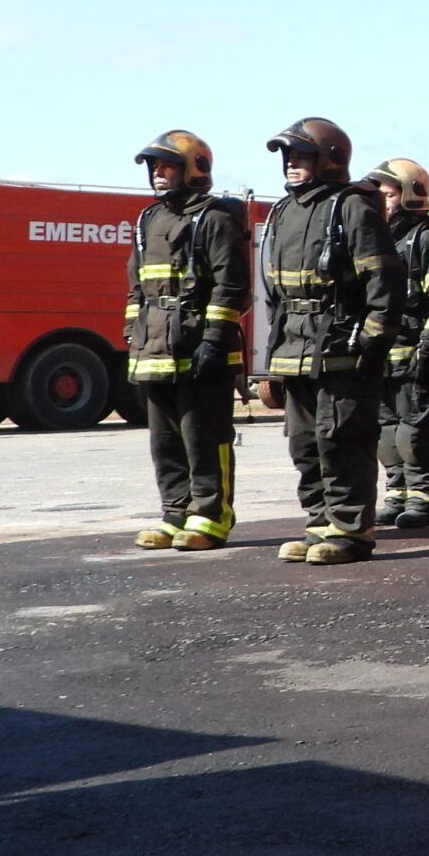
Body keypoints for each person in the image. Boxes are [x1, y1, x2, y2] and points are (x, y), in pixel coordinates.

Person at [251, 119, 404, 566]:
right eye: (288, 155)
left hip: (342, 350)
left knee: (342, 439)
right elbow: (274, 291)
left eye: (301, 155)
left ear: (330, 158)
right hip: (294, 349)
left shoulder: (352, 208)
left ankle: (351, 532)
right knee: (304, 443)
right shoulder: (285, 210)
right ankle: (319, 525)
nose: (292, 163)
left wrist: (373, 342)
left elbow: (385, 279)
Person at [125, 131, 248, 551]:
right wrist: (132, 334)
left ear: (194, 168)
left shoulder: (214, 219)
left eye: (168, 165)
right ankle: (174, 514)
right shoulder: (148, 220)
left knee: (204, 437)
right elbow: (137, 288)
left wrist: (214, 340)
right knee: (165, 442)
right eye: (154, 167)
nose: (158, 174)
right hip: (155, 350)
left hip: (199, 349)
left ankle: (210, 518)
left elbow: (231, 286)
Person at [366, 158, 429, 530]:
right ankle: (397, 493)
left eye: (388, 195)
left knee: (414, 430)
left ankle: (424, 498)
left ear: (411, 195)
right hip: (382, 351)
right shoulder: (376, 238)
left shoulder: (427, 237)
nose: (382, 202)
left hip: (417, 349)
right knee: (385, 429)